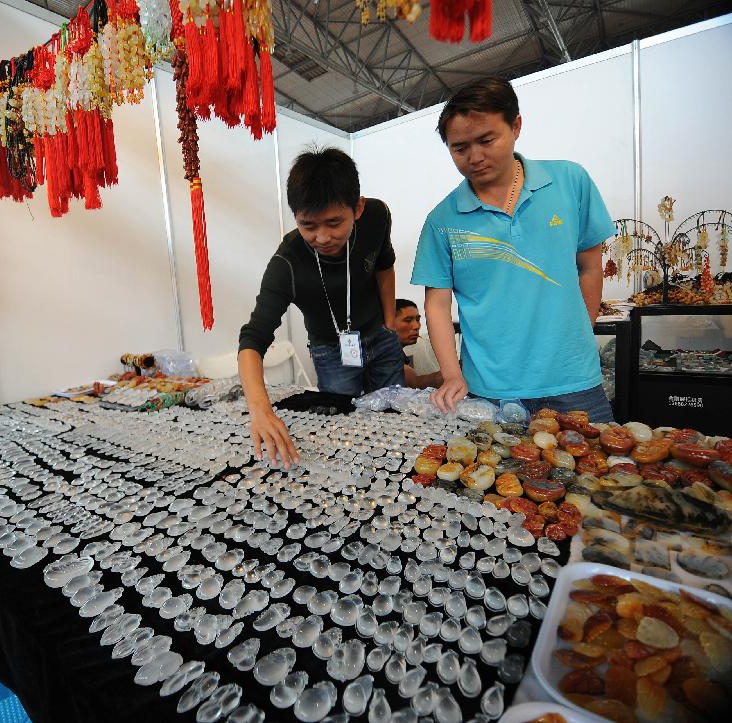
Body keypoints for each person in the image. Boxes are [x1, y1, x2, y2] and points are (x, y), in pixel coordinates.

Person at [411, 76, 615, 422]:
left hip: (573, 382)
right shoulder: (442, 220)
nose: (475, 157)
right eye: (460, 148)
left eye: (487, 140)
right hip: (490, 389)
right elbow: (437, 302)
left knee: (593, 472)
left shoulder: (570, 182)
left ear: (516, 126)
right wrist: (451, 373)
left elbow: (589, 267)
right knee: (495, 476)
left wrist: (580, 335)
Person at [239, 147, 404, 467]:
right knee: (345, 433)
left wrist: (389, 323)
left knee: (396, 422)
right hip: (332, 351)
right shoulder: (286, 263)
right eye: (308, 225)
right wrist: (260, 411)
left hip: (380, 338)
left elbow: (385, 265)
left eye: (333, 222)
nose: (323, 236)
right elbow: (253, 339)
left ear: (357, 208)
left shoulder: (377, 217)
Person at [394, 298, 443, 389]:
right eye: (408, 320)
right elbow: (414, 383)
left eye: (417, 319)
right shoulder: (383, 356)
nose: (416, 326)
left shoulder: (398, 355)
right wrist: (454, 372)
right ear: (389, 323)